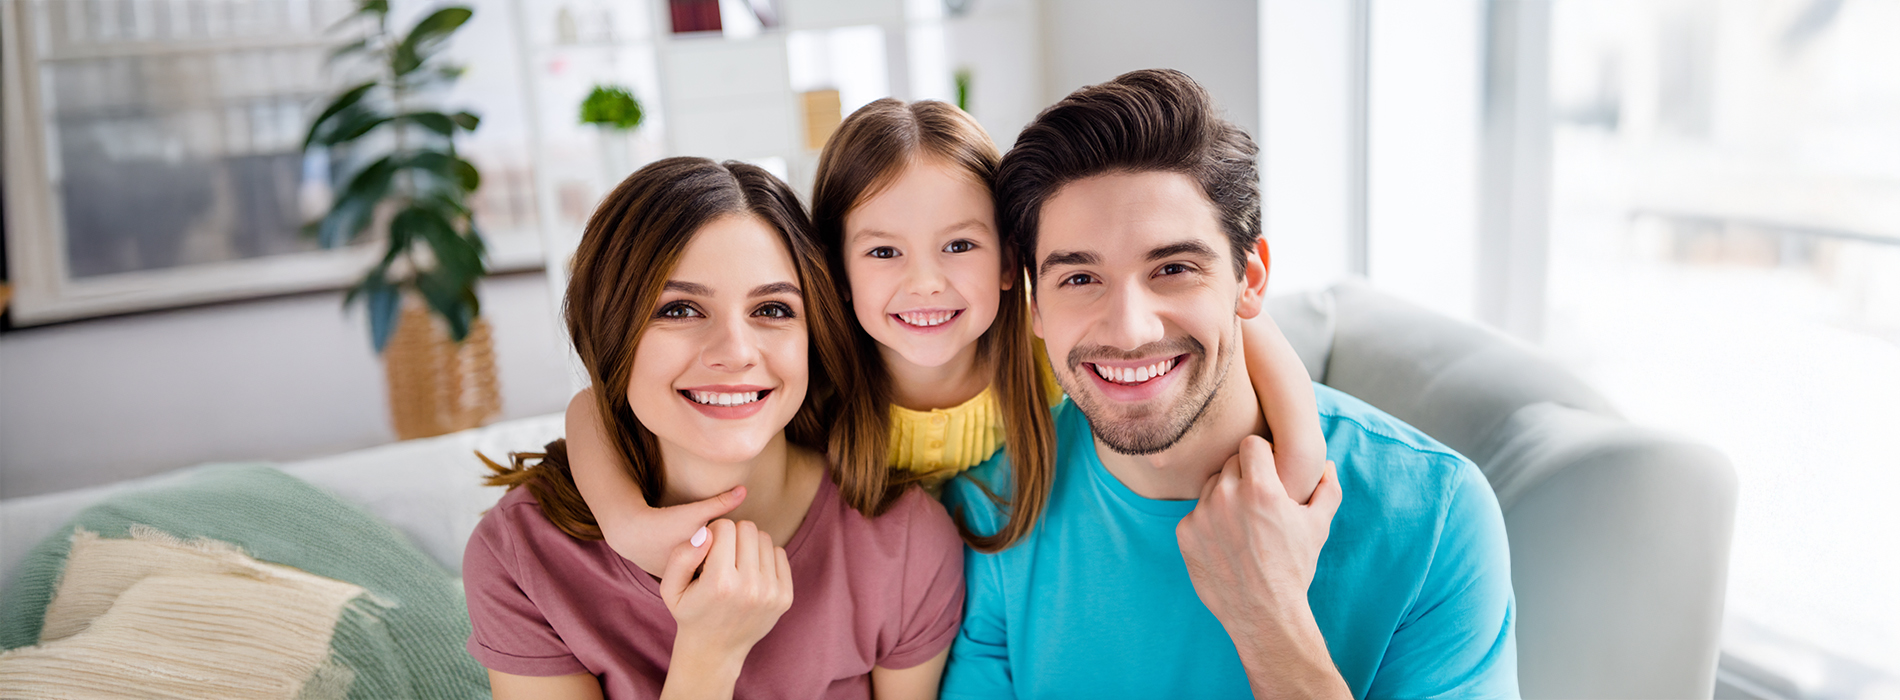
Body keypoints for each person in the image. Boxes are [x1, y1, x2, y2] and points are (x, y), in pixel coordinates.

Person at [558, 99, 1333, 574]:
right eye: (884, 252)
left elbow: (1241, 322)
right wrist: (626, 522)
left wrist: (1298, 463)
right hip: (892, 614)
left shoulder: (1048, 352)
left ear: (1011, 266)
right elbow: (600, 402)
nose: (925, 284)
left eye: (959, 246)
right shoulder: (817, 370)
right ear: (835, 269)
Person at [940, 69, 1519, 699]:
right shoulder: (993, 507)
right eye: (1079, 279)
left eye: (1174, 268)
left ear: (1251, 280)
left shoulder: (1435, 516)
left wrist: (1269, 620)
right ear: (1034, 308)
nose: (1130, 330)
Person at [463, 158, 964, 699]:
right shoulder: (524, 553)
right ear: (612, 333)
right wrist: (709, 655)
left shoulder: (905, 544)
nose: (736, 353)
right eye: (679, 310)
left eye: (773, 308)